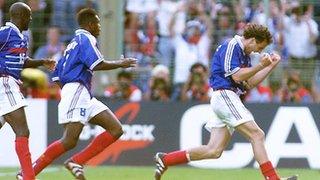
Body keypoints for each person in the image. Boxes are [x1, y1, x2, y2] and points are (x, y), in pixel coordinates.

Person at [154, 23, 297, 180]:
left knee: (213, 150)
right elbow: (236, 76)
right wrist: (260, 66)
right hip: (224, 95)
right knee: (257, 135)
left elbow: (248, 83)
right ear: (253, 40)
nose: (258, 51)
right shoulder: (232, 45)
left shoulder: (245, 55)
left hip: (229, 97)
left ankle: (166, 159)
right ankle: (272, 178)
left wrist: (269, 66)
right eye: (259, 47)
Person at [16, 8, 137, 180]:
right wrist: (121, 63)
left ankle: (76, 161)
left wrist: (67, 89)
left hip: (81, 93)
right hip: (77, 90)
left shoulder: (72, 44)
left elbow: (57, 74)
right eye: (97, 22)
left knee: (115, 129)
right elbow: (97, 64)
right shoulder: (86, 38)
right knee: (69, 140)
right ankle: (28, 173)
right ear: (89, 24)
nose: (100, 26)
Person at [0, 2, 55, 180]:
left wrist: (41, 62)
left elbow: (21, 61)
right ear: (21, 16)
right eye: (29, 16)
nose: (31, 19)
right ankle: (29, 177)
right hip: (5, 83)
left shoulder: (22, 37)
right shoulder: (5, 33)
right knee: (23, 131)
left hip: (12, 83)